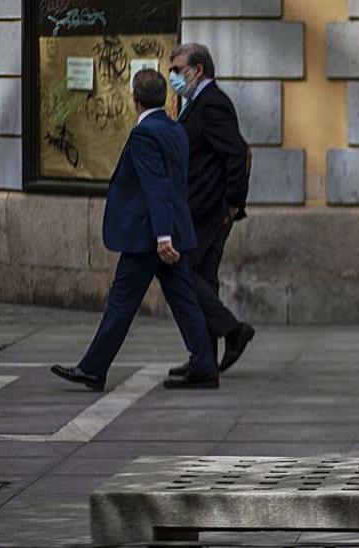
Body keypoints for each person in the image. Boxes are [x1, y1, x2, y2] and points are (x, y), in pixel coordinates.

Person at [51, 69, 220, 391]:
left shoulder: (145, 134)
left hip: (149, 238)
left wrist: (162, 237)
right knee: (185, 301)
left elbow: (156, 186)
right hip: (171, 231)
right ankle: (204, 364)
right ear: (166, 97)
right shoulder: (175, 129)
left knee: (122, 302)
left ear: (134, 99)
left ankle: (93, 368)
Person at [166, 43, 255, 376]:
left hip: (207, 209)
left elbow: (235, 153)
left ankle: (233, 331)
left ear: (197, 69)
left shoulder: (212, 103)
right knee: (202, 278)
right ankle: (204, 359)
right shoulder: (196, 103)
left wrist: (233, 203)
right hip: (199, 206)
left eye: (177, 70)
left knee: (182, 275)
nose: (173, 76)